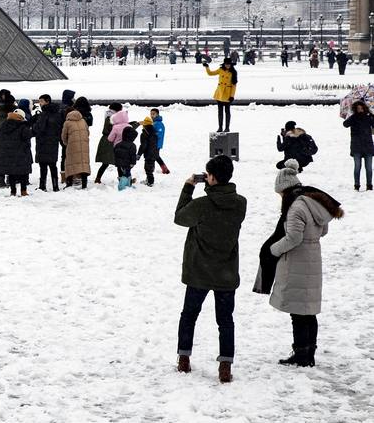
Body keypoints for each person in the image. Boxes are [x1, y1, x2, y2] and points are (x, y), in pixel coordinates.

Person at [258, 161, 343, 367]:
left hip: (297, 261)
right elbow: (323, 230)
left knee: (297, 312)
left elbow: (293, 238)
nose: (279, 197)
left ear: (284, 189)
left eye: (279, 193)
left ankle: (301, 354)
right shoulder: (312, 202)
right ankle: (309, 352)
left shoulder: (296, 207)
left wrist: (273, 249)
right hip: (313, 257)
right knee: (309, 310)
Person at [174, 155, 247, 383]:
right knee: (225, 320)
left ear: (212, 177)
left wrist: (188, 187)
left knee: (189, 316)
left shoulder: (202, 205)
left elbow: (180, 218)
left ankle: (184, 358)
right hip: (226, 271)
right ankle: (225, 365)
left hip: (199, 271)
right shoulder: (240, 203)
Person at [0, 108, 33, 196]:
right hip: (21, 152)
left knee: (11, 172)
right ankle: (23, 191)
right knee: (23, 172)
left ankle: (13, 191)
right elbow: (28, 136)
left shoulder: (4, 125)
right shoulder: (22, 126)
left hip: (8, 152)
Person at [31, 94, 63, 191]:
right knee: (53, 165)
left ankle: (42, 186)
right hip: (53, 142)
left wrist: (34, 123)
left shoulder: (43, 114)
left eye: (41, 101)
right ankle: (55, 186)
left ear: (47, 101)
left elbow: (38, 128)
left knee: (43, 165)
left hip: (43, 142)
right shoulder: (57, 113)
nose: (39, 103)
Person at [343, 100, 374, 190]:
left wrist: (372, 115)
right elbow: (345, 124)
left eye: (361, 108)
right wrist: (351, 117)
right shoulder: (353, 118)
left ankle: (369, 185)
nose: (360, 109)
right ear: (355, 109)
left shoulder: (369, 117)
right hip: (356, 146)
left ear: (364, 108)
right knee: (357, 167)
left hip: (368, 146)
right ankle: (356, 185)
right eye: (358, 108)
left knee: (369, 168)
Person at [93, 103, 126, 185]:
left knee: (107, 162)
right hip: (109, 141)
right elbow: (116, 129)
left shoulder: (110, 116)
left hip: (108, 141)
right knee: (115, 162)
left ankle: (98, 178)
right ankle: (122, 180)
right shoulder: (111, 118)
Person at [60, 101, 91, 189]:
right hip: (84, 146)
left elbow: (64, 136)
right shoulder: (83, 121)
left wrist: (66, 143)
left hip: (72, 146)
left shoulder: (67, 123)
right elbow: (88, 132)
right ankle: (84, 185)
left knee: (69, 163)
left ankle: (69, 183)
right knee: (83, 164)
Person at [0, 89, 17, 187]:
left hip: (0, 134)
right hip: (10, 134)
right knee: (10, 156)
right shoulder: (11, 109)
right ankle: (8, 179)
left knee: (0, 155)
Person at [205, 57, 238, 133]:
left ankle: (227, 127)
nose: (227, 66)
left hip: (227, 94)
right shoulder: (220, 70)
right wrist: (207, 67)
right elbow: (210, 73)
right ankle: (220, 127)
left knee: (227, 112)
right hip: (219, 94)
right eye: (226, 64)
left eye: (229, 64)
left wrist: (232, 96)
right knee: (220, 112)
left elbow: (234, 85)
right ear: (224, 64)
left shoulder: (233, 72)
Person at [114, 123, 138, 190]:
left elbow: (115, 152)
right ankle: (121, 186)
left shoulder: (118, 144)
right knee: (126, 174)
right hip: (127, 164)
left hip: (119, 163)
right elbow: (133, 155)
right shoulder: (132, 145)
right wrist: (133, 163)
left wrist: (117, 161)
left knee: (126, 174)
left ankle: (128, 185)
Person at [138, 117, 160, 187]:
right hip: (155, 152)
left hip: (148, 153)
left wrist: (139, 154)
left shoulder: (144, 134)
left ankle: (150, 182)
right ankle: (148, 180)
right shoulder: (155, 133)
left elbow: (143, 145)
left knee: (148, 168)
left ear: (144, 125)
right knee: (151, 166)